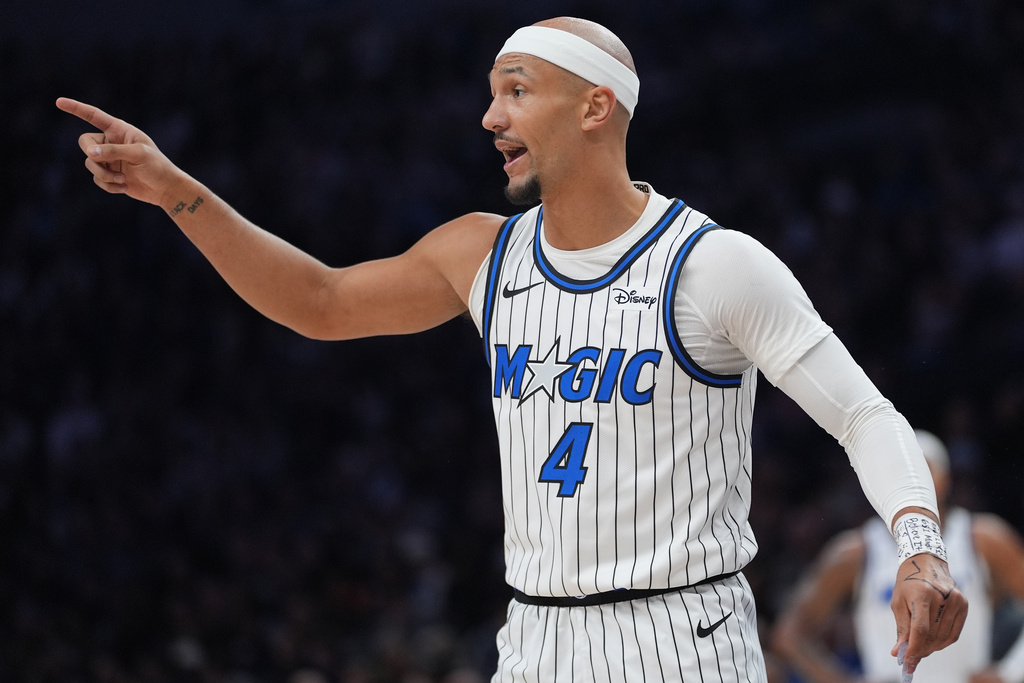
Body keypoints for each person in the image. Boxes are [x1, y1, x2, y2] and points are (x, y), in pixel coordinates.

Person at [57, 16, 967, 683]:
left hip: (681, 637)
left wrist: (920, 546)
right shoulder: (481, 252)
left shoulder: (713, 263)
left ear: (595, 107)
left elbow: (864, 414)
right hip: (531, 639)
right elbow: (320, 301)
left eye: (517, 90)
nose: (491, 116)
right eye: (493, 92)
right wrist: (177, 192)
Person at [772, 430, 1024, 683]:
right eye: (900, 471)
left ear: (946, 478)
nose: (912, 480)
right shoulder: (856, 551)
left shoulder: (982, 538)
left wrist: (1008, 673)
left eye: (922, 469)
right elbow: (790, 634)